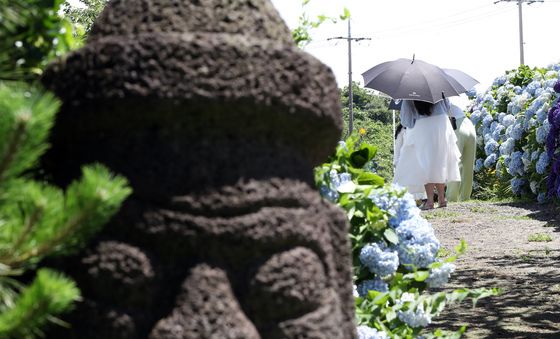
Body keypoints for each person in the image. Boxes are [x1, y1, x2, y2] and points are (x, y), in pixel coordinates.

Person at [393, 98, 461, 209]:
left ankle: (430, 201)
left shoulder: (409, 93)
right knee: (440, 161)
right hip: (442, 124)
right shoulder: (438, 87)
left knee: (425, 163)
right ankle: (442, 199)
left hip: (422, 125)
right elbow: (448, 106)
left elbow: (406, 121)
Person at [446, 102, 477, 202]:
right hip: (468, 124)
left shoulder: (435, 100)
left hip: (456, 125)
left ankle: (452, 198)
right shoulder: (445, 97)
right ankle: (465, 198)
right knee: (468, 165)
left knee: (454, 163)